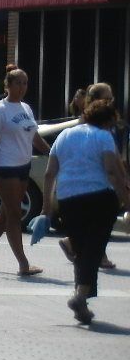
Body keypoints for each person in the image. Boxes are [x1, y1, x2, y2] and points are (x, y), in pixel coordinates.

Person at [44, 96, 130, 324]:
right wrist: (126, 200)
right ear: (107, 121)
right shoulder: (103, 137)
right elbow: (112, 172)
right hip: (99, 198)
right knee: (94, 247)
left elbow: (50, 173)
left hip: (68, 199)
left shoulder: (64, 135)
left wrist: (46, 210)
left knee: (83, 251)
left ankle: (81, 300)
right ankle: (80, 296)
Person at [0, 68, 51, 276]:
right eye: (18, 83)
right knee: (15, 214)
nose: (22, 87)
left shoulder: (26, 108)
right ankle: (23, 264)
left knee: (6, 214)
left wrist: (52, 153)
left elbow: (34, 138)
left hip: (23, 166)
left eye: (25, 83)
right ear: (8, 85)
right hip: (4, 167)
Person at [58, 83, 119, 272]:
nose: (110, 101)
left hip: (101, 178)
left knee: (100, 221)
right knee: (99, 220)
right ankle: (92, 255)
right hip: (91, 182)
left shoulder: (103, 119)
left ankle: (85, 250)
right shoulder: (88, 122)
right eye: (106, 98)